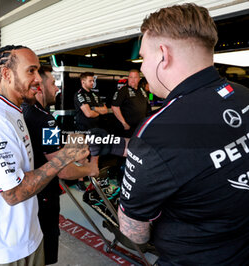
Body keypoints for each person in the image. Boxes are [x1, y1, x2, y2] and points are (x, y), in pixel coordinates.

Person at [117, 3, 249, 265]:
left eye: (144, 57)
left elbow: (135, 233)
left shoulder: (156, 133)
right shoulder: (245, 93)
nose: (142, 68)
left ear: (163, 55)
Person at [0, 45, 89, 265]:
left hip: (27, 239)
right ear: (6, 74)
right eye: (31, 71)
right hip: (1, 252)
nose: (39, 80)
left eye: (39, 72)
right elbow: (14, 193)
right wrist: (68, 156)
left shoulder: (16, 111)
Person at [22, 64, 99, 265]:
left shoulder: (24, 111)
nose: (57, 88)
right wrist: (90, 168)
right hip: (44, 196)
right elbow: (62, 169)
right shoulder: (47, 120)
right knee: (45, 253)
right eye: (53, 83)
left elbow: (49, 152)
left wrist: (72, 152)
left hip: (30, 196)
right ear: (39, 87)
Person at [74, 72, 107, 190]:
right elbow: (88, 114)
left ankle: (93, 179)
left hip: (95, 129)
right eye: (90, 81)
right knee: (82, 156)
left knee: (95, 155)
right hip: (82, 129)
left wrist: (94, 109)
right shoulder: (79, 95)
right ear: (83, 82)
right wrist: (95, 111)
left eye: (93, 81)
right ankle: (80, 180)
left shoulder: (95, 94)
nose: (92, 83)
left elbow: (105, 110)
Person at [111, 69, 150, 137]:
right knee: (127, 145)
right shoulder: (123, 90)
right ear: (128, 78)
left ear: (139, 79)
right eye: (131, 77)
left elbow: (147, 106)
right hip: (127, 128)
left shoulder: (142, 90)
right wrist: (124, 123)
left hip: (139, 127)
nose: (132, 79)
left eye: (135, 77)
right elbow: (114, 107)